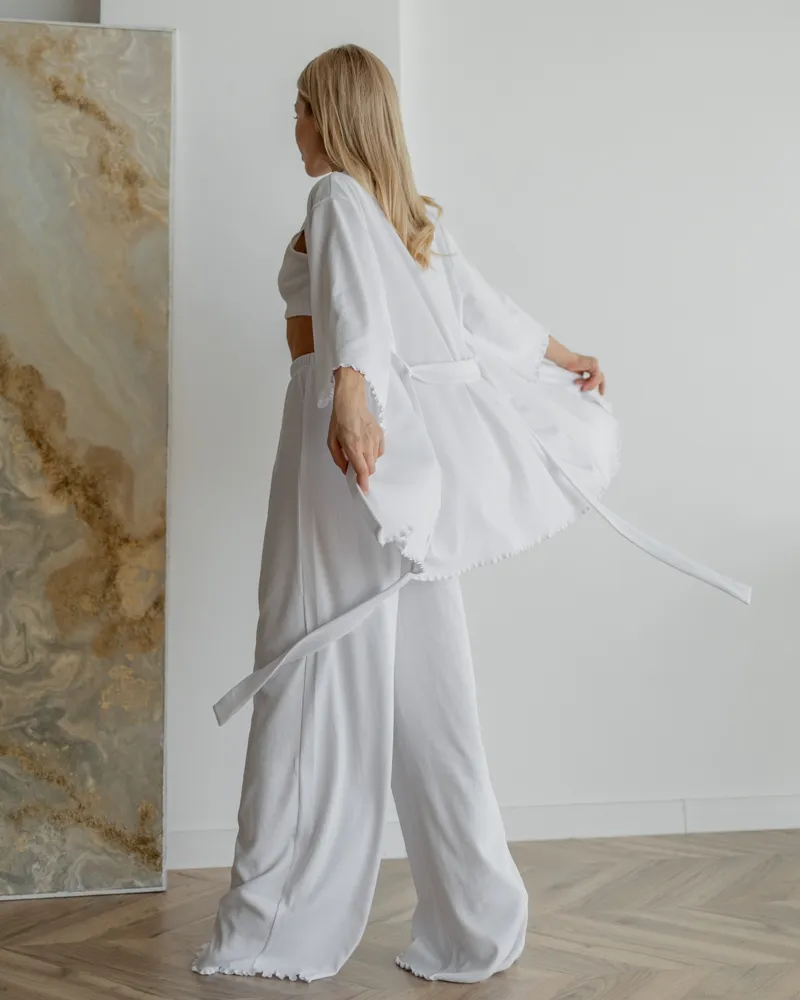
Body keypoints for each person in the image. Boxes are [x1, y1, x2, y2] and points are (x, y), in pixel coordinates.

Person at [193, 45, 750, 984]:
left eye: (302, 107)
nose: (293, 125)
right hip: (392, 472)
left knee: (312, 663)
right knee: (431, 691)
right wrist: (561, 355)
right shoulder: (411, 217)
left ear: (335, 117)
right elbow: (485, 314)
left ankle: (274, 919)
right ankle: (476, 922)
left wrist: (351, 393)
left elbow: (353, 308)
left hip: (341, 451)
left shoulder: (335, 199)